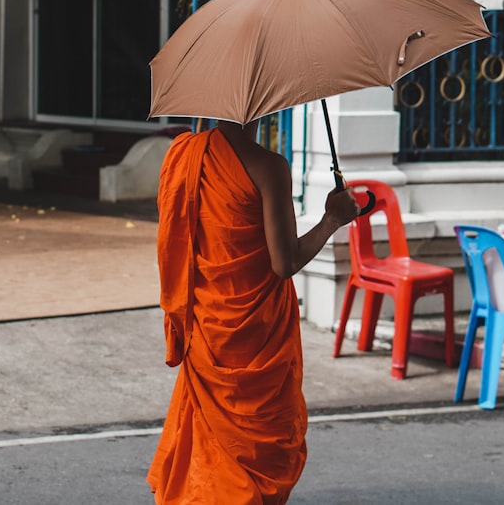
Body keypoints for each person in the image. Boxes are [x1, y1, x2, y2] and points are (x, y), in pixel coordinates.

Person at [147, 119, 360, 504]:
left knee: (208, 456)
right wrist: (332, 219)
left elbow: (176, 241)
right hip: (258, 333)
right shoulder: (269, 167)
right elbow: (284, 262)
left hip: (209, 328)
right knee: (261, 451)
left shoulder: (182, 154)